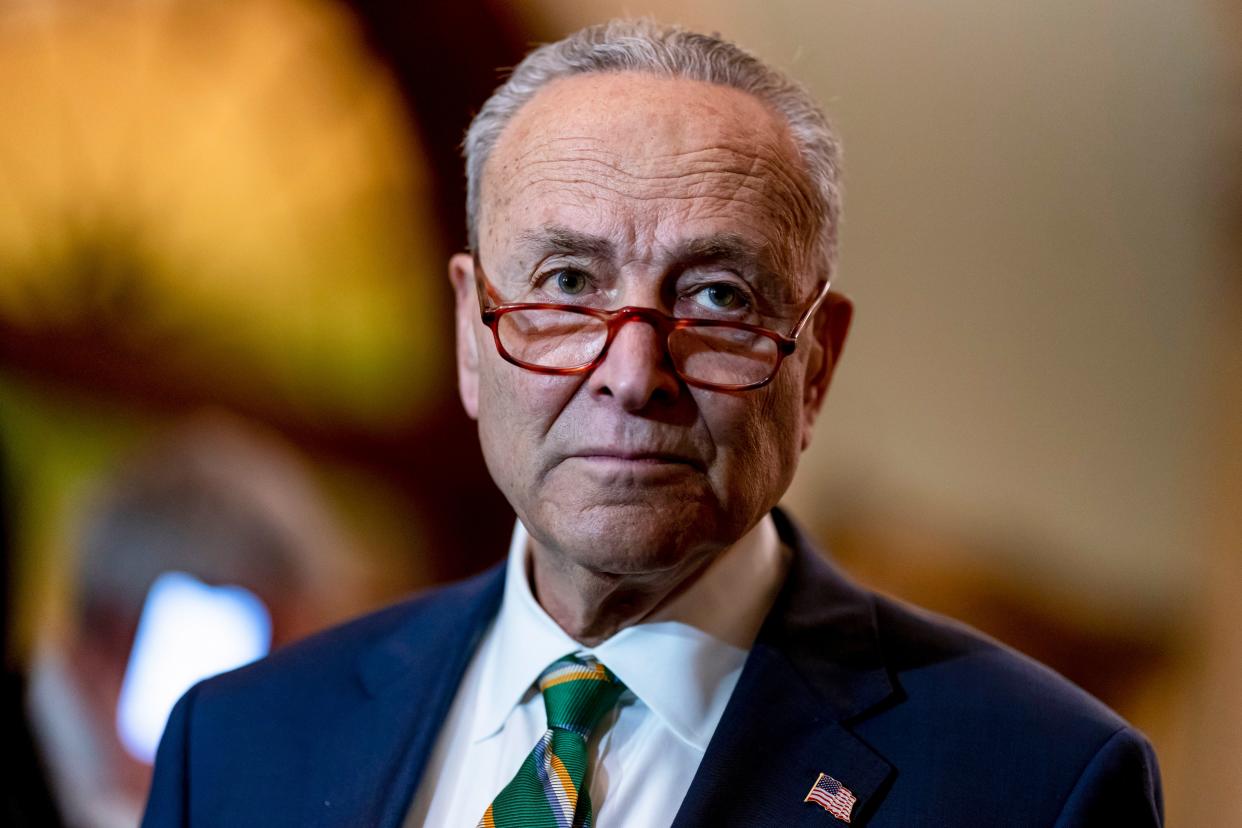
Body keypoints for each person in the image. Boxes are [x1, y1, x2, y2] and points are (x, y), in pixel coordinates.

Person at [142, 19, 1162, 827]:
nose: (634, 375)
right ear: (468, 331)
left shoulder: (1036, 785)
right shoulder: (236, 746)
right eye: (569, 282)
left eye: (717, 298)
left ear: (817, 367)